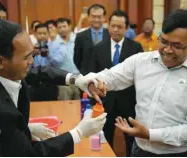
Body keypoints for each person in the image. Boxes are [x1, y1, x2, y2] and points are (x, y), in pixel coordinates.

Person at [75, 9, 187, 157]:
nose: (167, 50)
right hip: (139, 150)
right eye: (164, 41)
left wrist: (150, 134)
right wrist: (94, 81)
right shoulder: (141, 61)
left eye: (177, 46)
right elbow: (112, 76)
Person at [0, 19, 107, 156]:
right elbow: (31, 154)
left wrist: (77, 79)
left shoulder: (12, 72)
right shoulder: (2, 111)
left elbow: (40, 72)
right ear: (0, 61)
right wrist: (78, 133)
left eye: (33, 54)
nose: (31, 61)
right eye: (26, 58)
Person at [91, 10, 143, 156]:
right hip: (105, 101)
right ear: (108, 26)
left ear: (126, 28)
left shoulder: (136, 48)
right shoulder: (98, 48)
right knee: (104, 137)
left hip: (129, 102)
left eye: (119, 27)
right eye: (113, 26)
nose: (115, 30)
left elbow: (141, 77)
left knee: (131, 139)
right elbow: (93, 76)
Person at [49, 18, 80, 100]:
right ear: (57, 29)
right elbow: (52, 62)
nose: (62, 29)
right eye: (59, 27)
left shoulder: (77, 39)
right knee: (64, 106)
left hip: (78, 78)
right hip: (63, 80)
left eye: (64, 26)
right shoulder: (53, 43)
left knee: (79, 106)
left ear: (69, 26)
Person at [74, 4, 110, 75]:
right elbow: (77, 59)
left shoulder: (110, 35)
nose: (96, 20)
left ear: (104, 18)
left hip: (107, 77)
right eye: (93, 17)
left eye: (99, 17)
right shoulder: (80, 36)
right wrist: (84, 71)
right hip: (86, 77)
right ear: (88, 17)